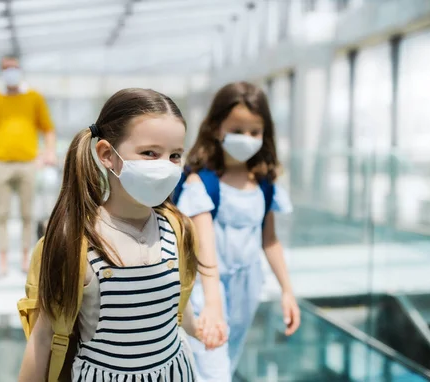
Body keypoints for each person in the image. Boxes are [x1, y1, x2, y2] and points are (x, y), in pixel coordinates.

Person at [18, 88, 227, 381]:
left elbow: (175, 306)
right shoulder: (78, 243)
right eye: (149, 153)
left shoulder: (176, 229)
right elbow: (42, 339)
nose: (165, 166)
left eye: (175, 155)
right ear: (107, 155)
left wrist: (199, 329)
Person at [174, 82, 301, 381]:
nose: (246, 138)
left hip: (248, 286)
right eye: (237, 130)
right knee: (212, 370)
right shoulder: (201, 183)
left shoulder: (264, 183)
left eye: (254, 132)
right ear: (217, 128)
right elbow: (204, 250)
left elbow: (269, 240)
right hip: (207, 288)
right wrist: (214, 304)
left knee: (227, 362)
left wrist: (287, 290)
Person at [0, 56, 56, 276]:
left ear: (20, 70)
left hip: (28, 163)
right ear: (1, 72)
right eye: (6, 68)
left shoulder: (34, 97)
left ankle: (25, 260)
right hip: (0, 163)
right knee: (1, 214)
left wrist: (48, 152)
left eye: (13, 67)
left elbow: (47, 128)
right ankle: (2, 263)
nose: (10, 71)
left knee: (27, 215)